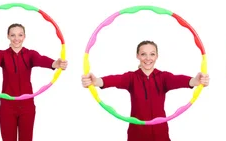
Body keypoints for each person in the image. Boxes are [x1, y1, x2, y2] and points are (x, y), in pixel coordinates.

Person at [80, 40, 210, 141]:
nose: (148, 58)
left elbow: (178, 80)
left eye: (152, 54)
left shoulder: (163, 77)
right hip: (137, 134)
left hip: (160, 134)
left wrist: (195, 80)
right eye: (143, 54)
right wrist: (95, 81)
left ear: (157, 56)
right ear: (137, 56)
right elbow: (115, 80)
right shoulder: (131, 78)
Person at [0, 23, 68, 141]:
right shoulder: (2, 55)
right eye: (13, 35)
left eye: (20, 35)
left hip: (27, 105)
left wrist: (56, 63)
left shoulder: (31, 54)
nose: (16, 38)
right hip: (7, 105)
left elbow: (41, 59)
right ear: (8, 36)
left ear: (24, 37)